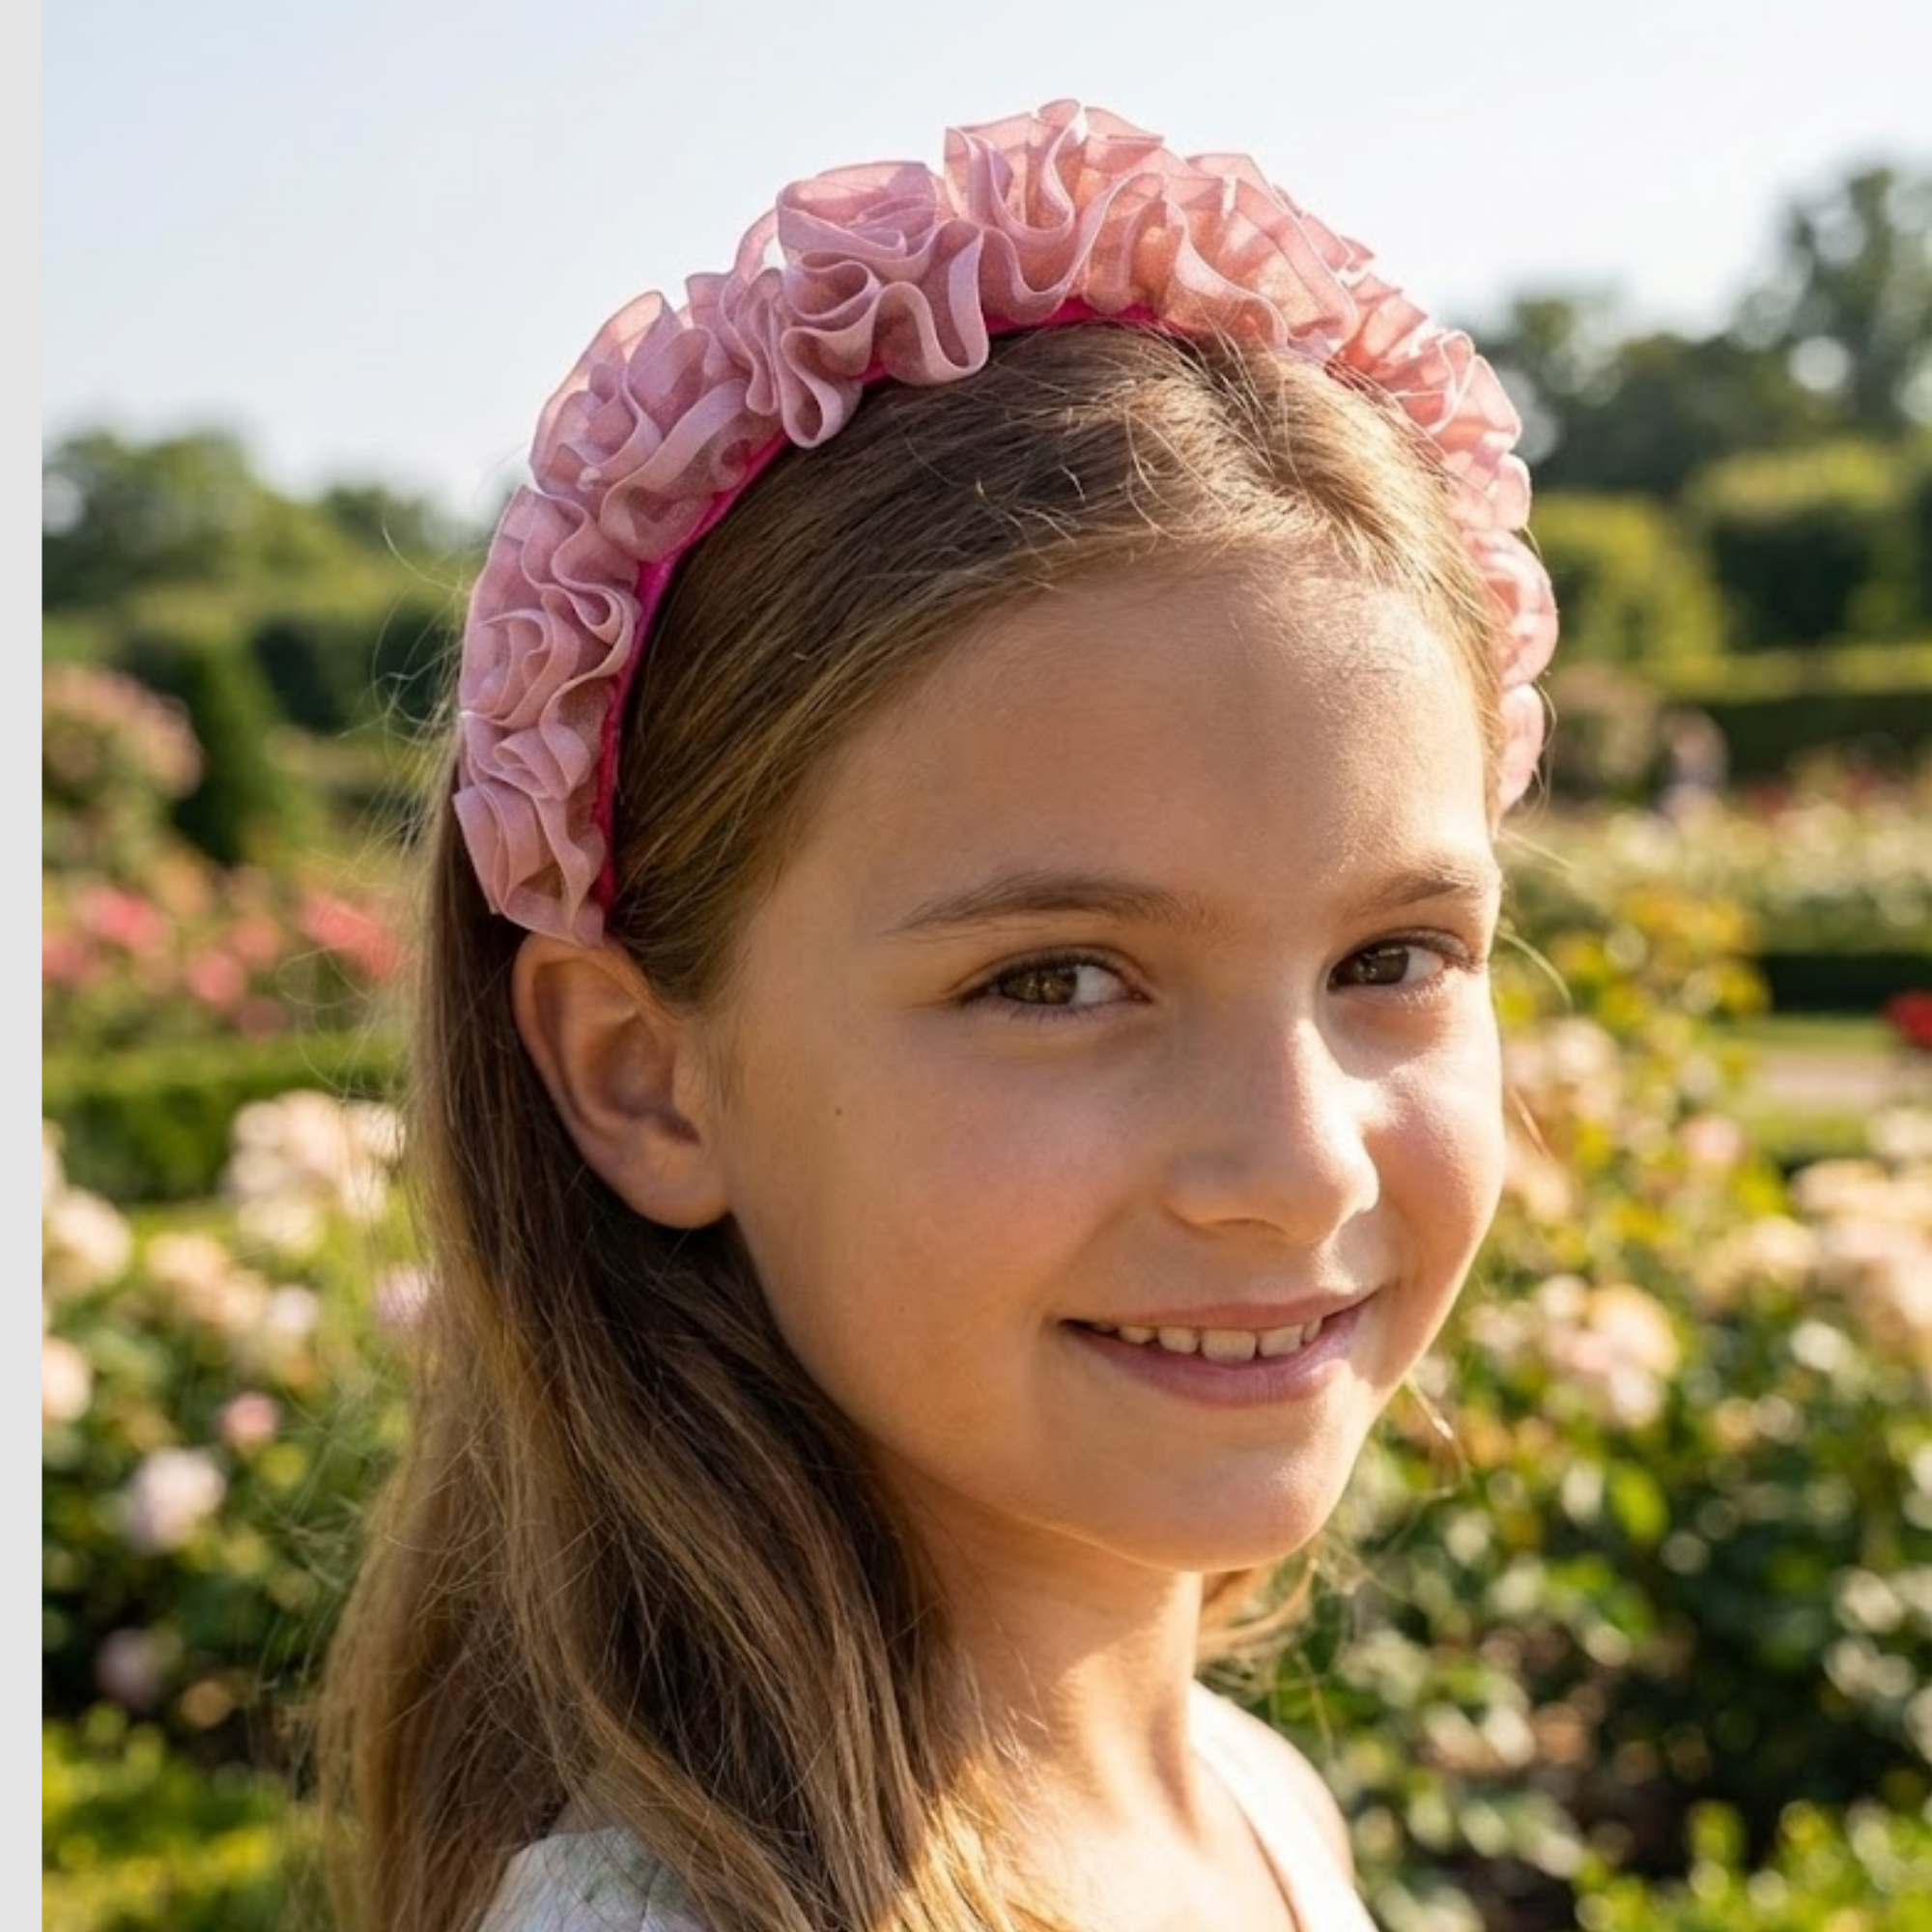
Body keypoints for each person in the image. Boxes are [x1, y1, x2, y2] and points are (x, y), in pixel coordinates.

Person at [316, 99, 1557, 1932]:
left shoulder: (1254, 1810)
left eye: (1393, 959)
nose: (1295, 1167)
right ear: (644, 1077)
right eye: (1054, 980)